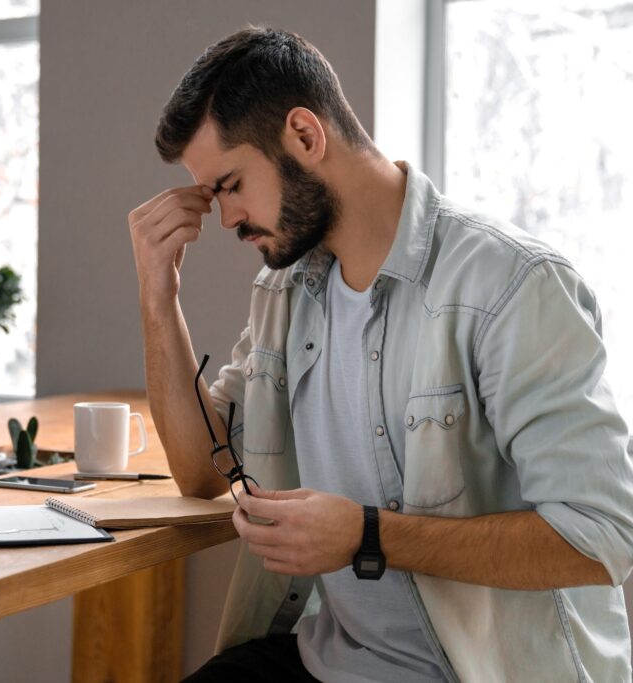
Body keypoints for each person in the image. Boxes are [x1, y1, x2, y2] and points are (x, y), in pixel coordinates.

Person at [128, 26, 633, 682]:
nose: (225, 218)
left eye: (229, 185)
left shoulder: (510, 285)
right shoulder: (284, 291)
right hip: (329, 661)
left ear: (305, 136)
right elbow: (201, 470)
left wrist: (369, 535)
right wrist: (157, 298)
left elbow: (601, 537)